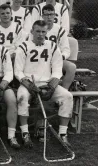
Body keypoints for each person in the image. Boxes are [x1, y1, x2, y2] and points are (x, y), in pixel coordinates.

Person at [15, 20, 73, 148]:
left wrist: (51, 87)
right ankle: (25, 133)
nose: (40, 34)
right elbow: (18, 71)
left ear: (47, 32)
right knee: (22, 98)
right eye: (37, 31)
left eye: (43, 32)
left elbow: (57, 69)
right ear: (32, 32)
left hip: (47, 83)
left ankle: (63, 134)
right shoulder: (23, 46)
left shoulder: (52, 46)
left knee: (67, 96)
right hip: (29, 83)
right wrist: (30, 86)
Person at [40, 4, 76, 89]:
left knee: (72, 67)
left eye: (51, 14)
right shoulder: (37, 28)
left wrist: (61, 57)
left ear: (54, 15)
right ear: (42, 16)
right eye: (46, 15)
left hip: (56, 60)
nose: (49, 17)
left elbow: (66, 50)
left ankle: (64, 91)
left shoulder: (60, 29)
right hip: (40, 59)